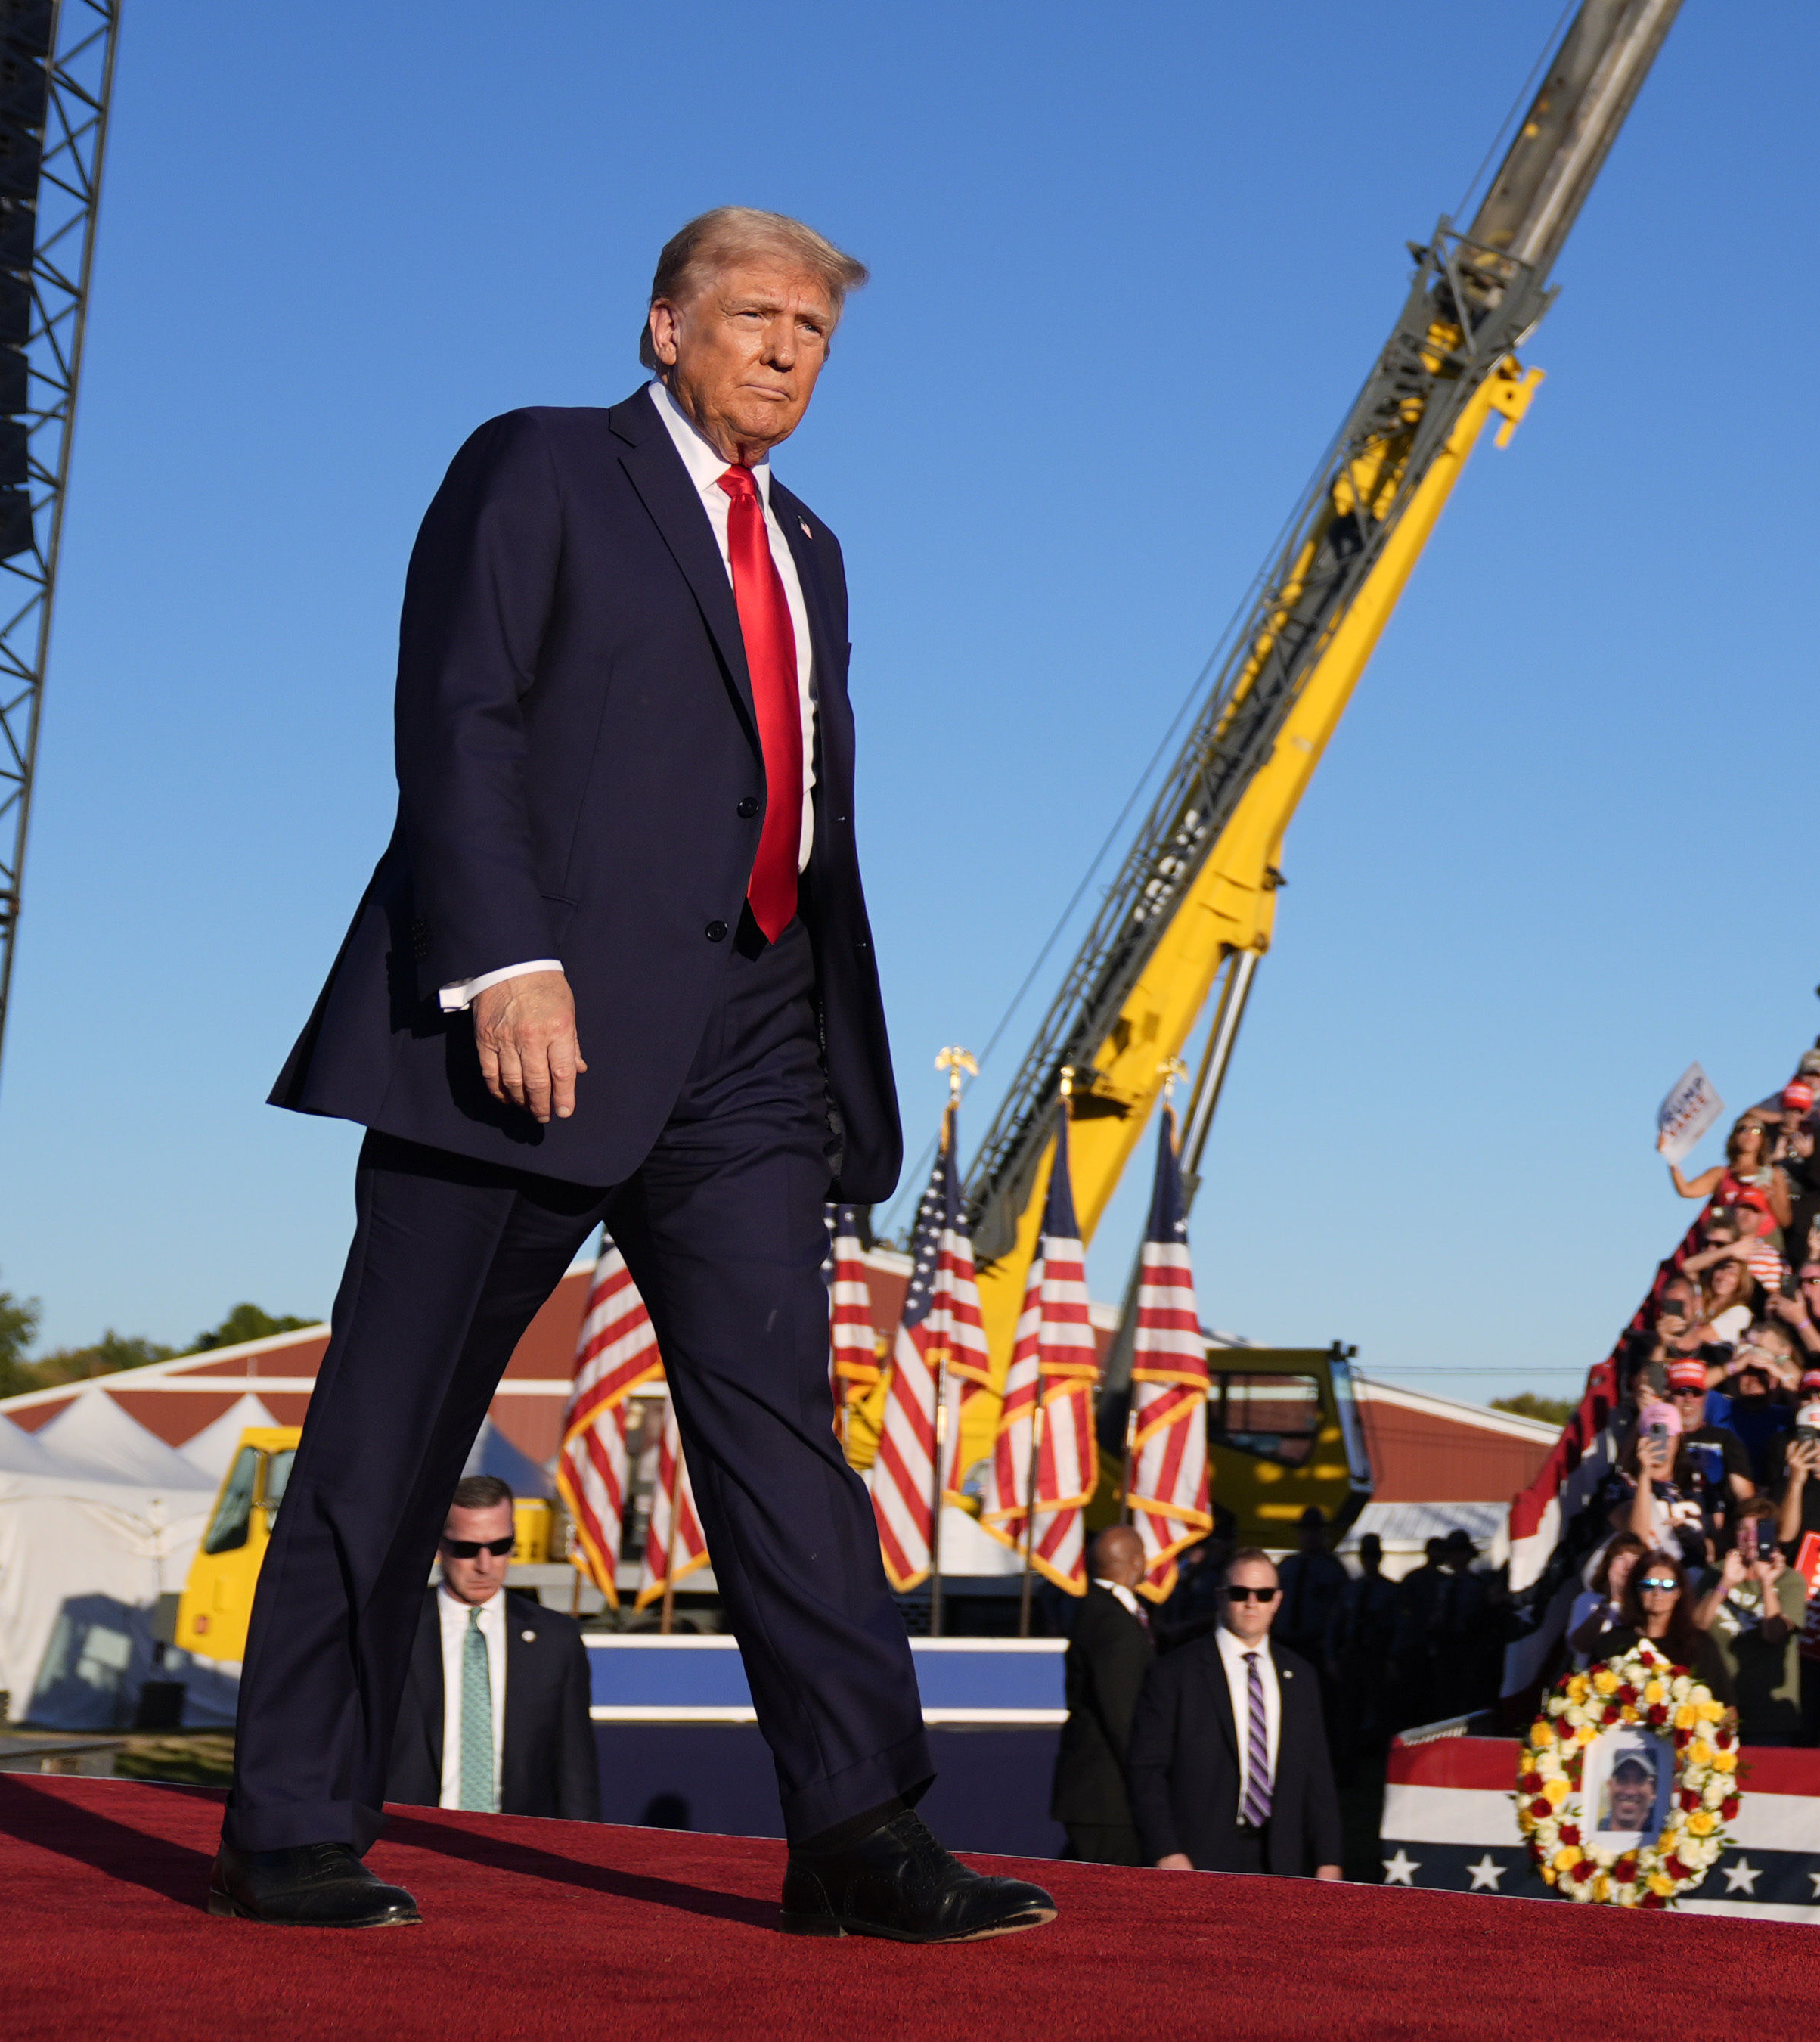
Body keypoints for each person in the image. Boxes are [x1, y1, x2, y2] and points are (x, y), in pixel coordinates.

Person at [217, 212, 1045, 1943]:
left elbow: (792, 812)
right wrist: (504, 960)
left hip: (753, 1044)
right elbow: (459, 711)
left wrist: (819, 1038)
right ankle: (296, 1819)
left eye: (815, 329)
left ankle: (857, 1829)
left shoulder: (810, 544)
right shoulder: (538, 466)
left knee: (783, 1440)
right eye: (755, 315)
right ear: (664, 324)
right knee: (391, 1426)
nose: (786, 350)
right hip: (528, 1024)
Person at [383, 1475, 595, 1820]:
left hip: (513, 1850)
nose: (485, 1565)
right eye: (467, 1549)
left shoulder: (557, 1640)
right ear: (439, 1545)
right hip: (407, 1842)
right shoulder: (388, 1633)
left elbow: (575, 1772)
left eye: (499, 1547)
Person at [1130, 1547, 1345, 1879]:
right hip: (1197, 1857)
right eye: (1239, 1592)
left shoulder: (1300, 1676)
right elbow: (1146, 1771)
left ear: (1277, 1600)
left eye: (1263, 1594)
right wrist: (1166, 1851)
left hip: (1281, 1858)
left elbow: (1317, 1773)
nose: (1251, 1603)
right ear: (1220, 1597)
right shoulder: (1175, 1673)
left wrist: (1328, 1859)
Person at [1054, 1522, 1160, 1864]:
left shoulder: (1096, 1610)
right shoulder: (1114, 1625)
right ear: (1135, 1561)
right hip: (1107, 1798)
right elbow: (1121, 1713)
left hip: (1094, 1796)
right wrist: (1148, 1777)